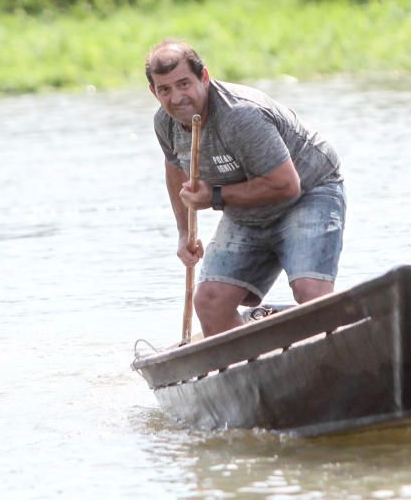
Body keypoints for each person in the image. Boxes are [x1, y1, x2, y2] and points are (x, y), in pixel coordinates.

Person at [146, 40, 346, 339]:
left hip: (308, 193)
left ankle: (339, 356)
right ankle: (257, 367)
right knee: (210, 303)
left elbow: (287, 186)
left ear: (204, 77)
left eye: (184, 84)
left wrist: (213, 196)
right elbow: (176, 168)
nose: (177, 98)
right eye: (165, 89)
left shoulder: (241, 115)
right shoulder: (165, 123)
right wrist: (185, 233)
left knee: (310, 292)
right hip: (246, 207)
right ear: (154, 92)